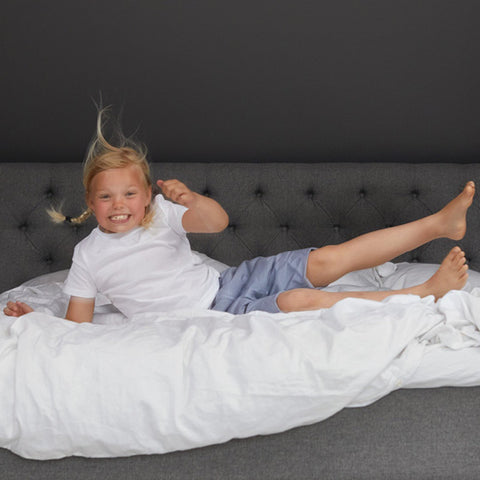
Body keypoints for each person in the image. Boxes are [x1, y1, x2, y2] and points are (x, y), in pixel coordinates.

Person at [3, 109, 475, 322]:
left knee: (330, 260)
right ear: (90, 202)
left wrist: (191, 201)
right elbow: (79, 324)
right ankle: (420, 294)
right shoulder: (88, 256)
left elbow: (217, 223)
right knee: (295, 302)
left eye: (130, 193)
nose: (120, 205)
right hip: (217, 316)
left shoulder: (163, 215)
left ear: (147, 196)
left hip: (231, 284)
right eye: (106, 198)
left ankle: (438, 224)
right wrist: (36, 319)